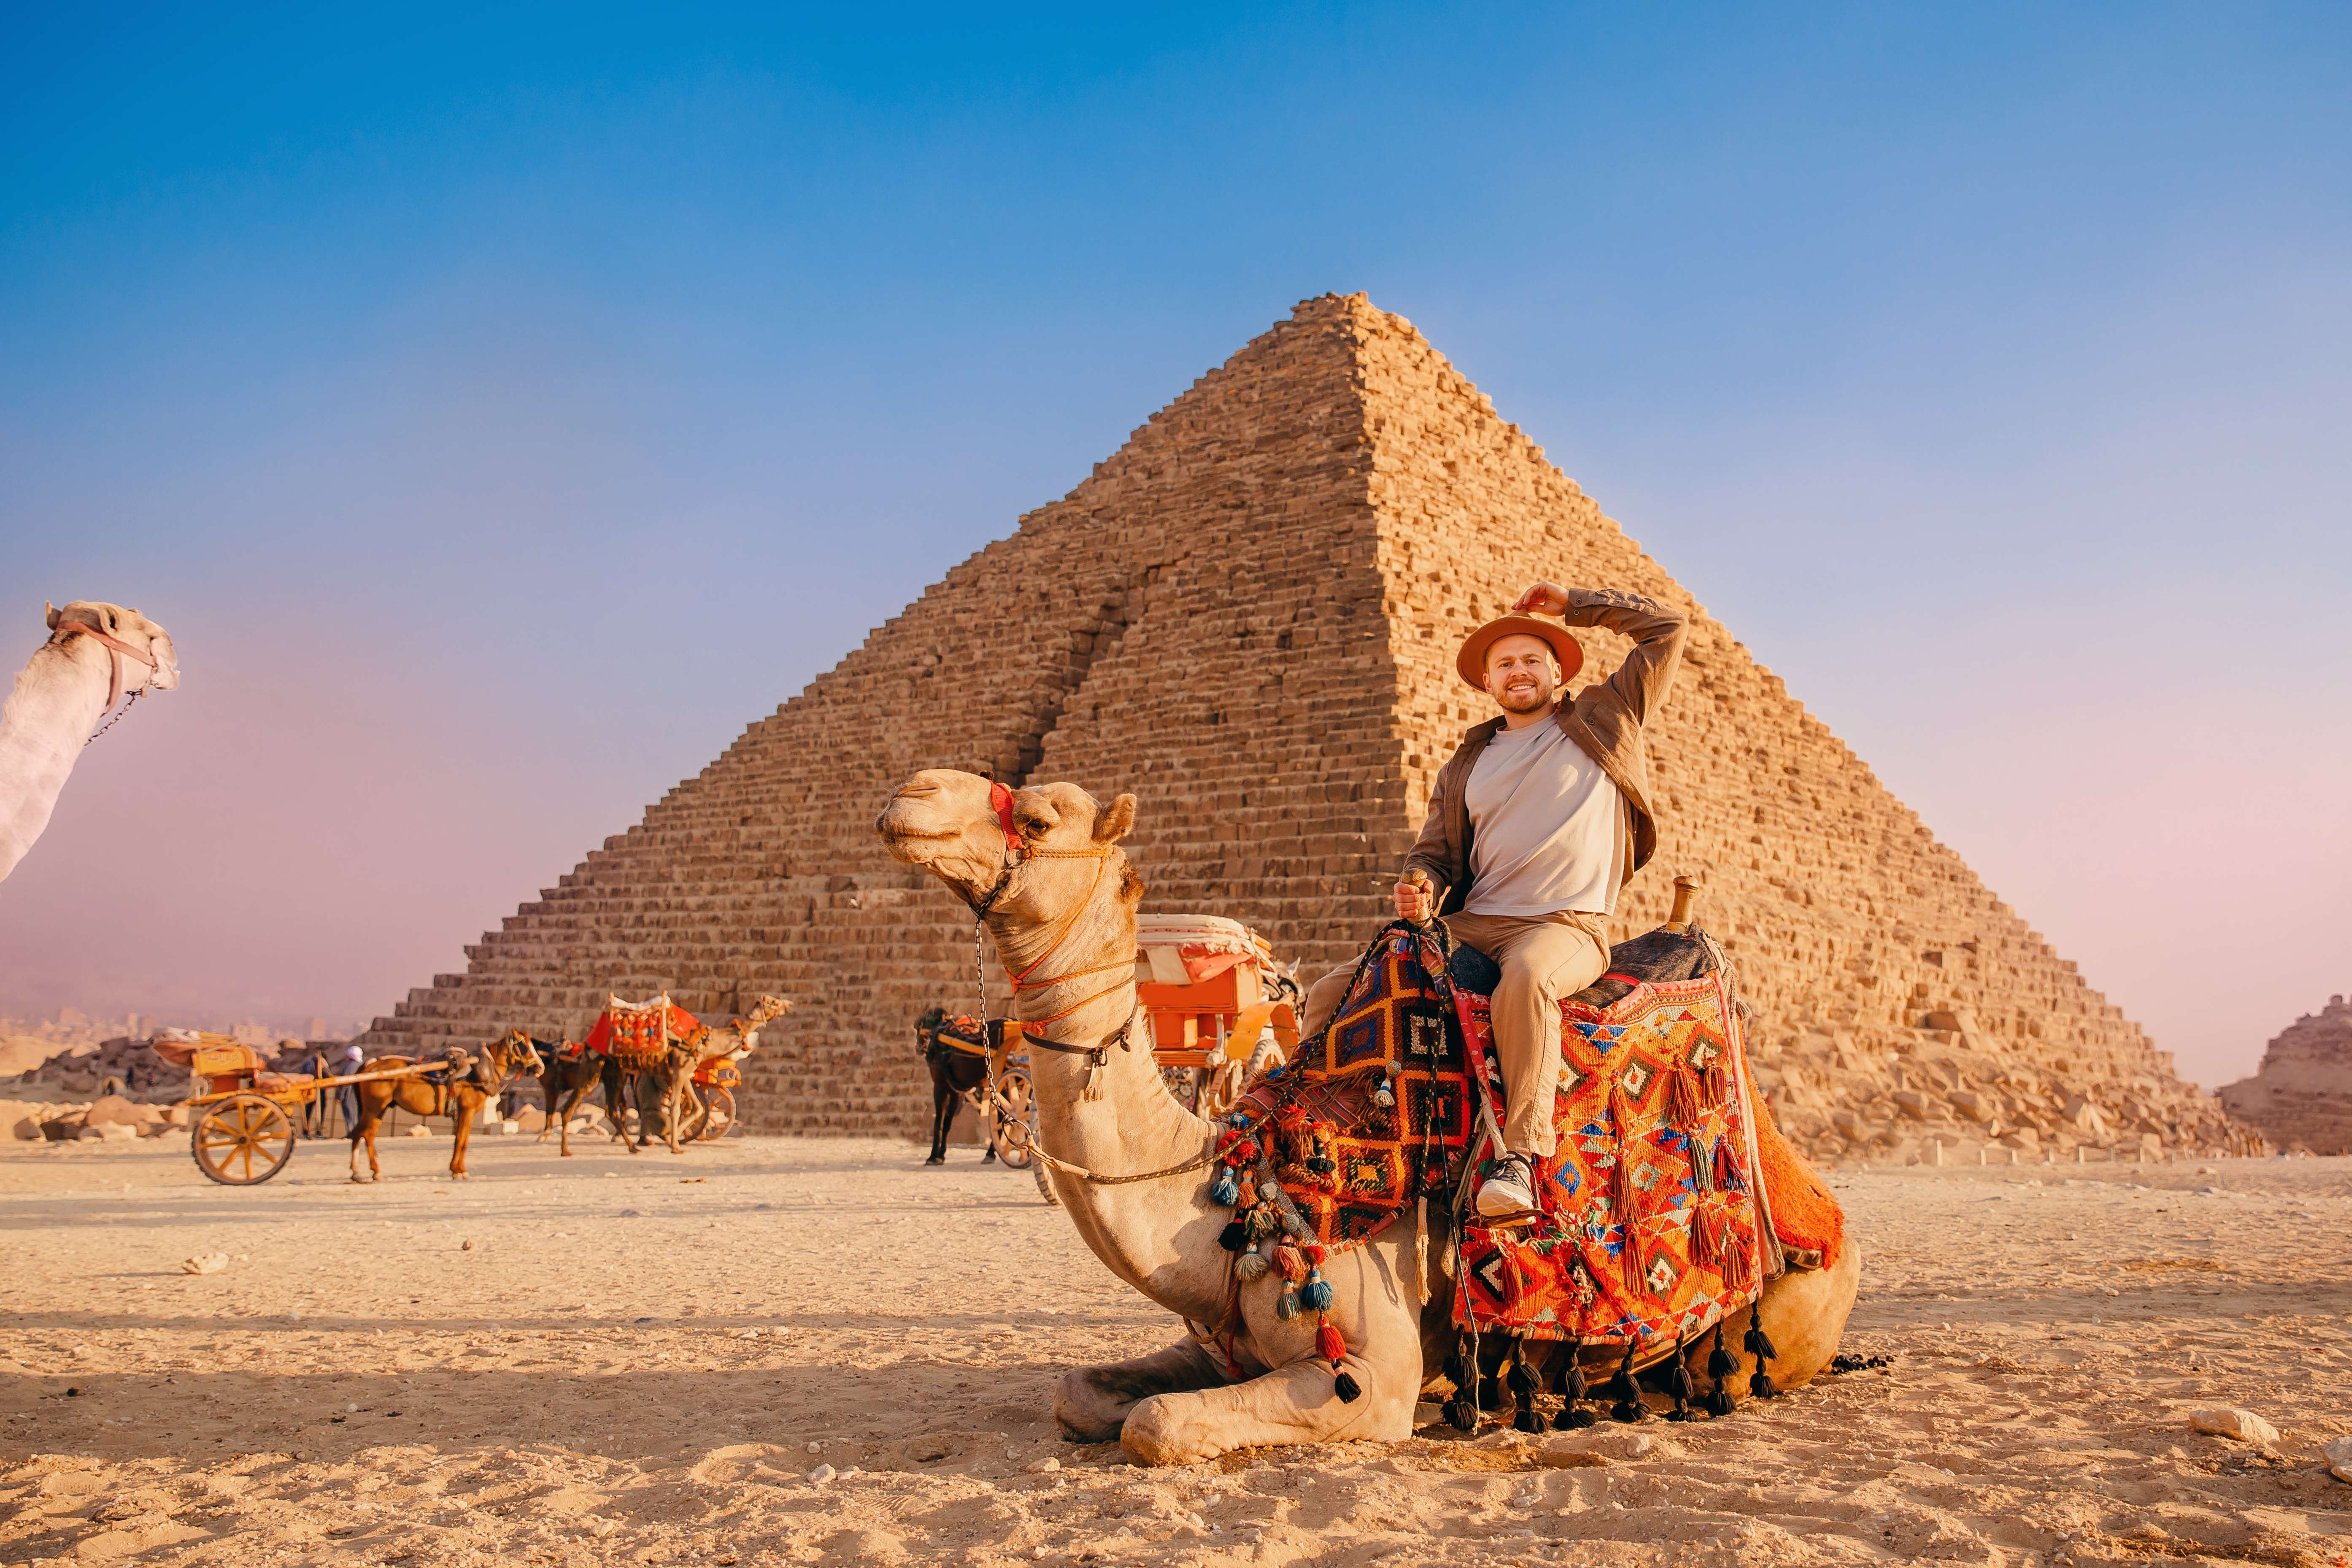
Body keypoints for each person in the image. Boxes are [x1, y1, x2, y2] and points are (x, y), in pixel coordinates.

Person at [1398, 580, 1687, 1219]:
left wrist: (1576, 605)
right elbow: (1436, 856)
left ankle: (1520, 1158)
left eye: (1532, 659)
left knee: (1527, 977)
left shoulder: (1607, 717)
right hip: (1475, 921)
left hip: (1565, 924)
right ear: (1486, 682)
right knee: (1353, 981)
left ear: (1559, 670)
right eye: (1505, 663)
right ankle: (1296, 1122)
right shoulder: (1465, 764)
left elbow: (1667, 628)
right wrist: (1420, 884)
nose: (1519, 671)